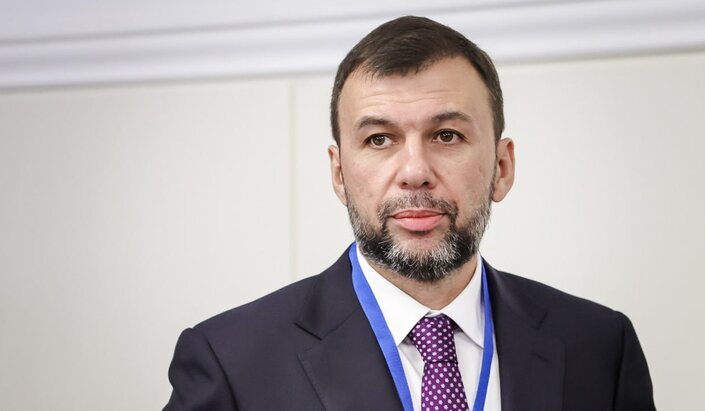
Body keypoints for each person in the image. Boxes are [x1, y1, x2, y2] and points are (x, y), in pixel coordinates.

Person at [163, 16, 655, 411]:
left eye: (447, 135)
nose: (415, 172)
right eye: (379, 139)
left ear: (502, 167)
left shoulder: (600, 346)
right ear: (339, 173)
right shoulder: (230, 362)